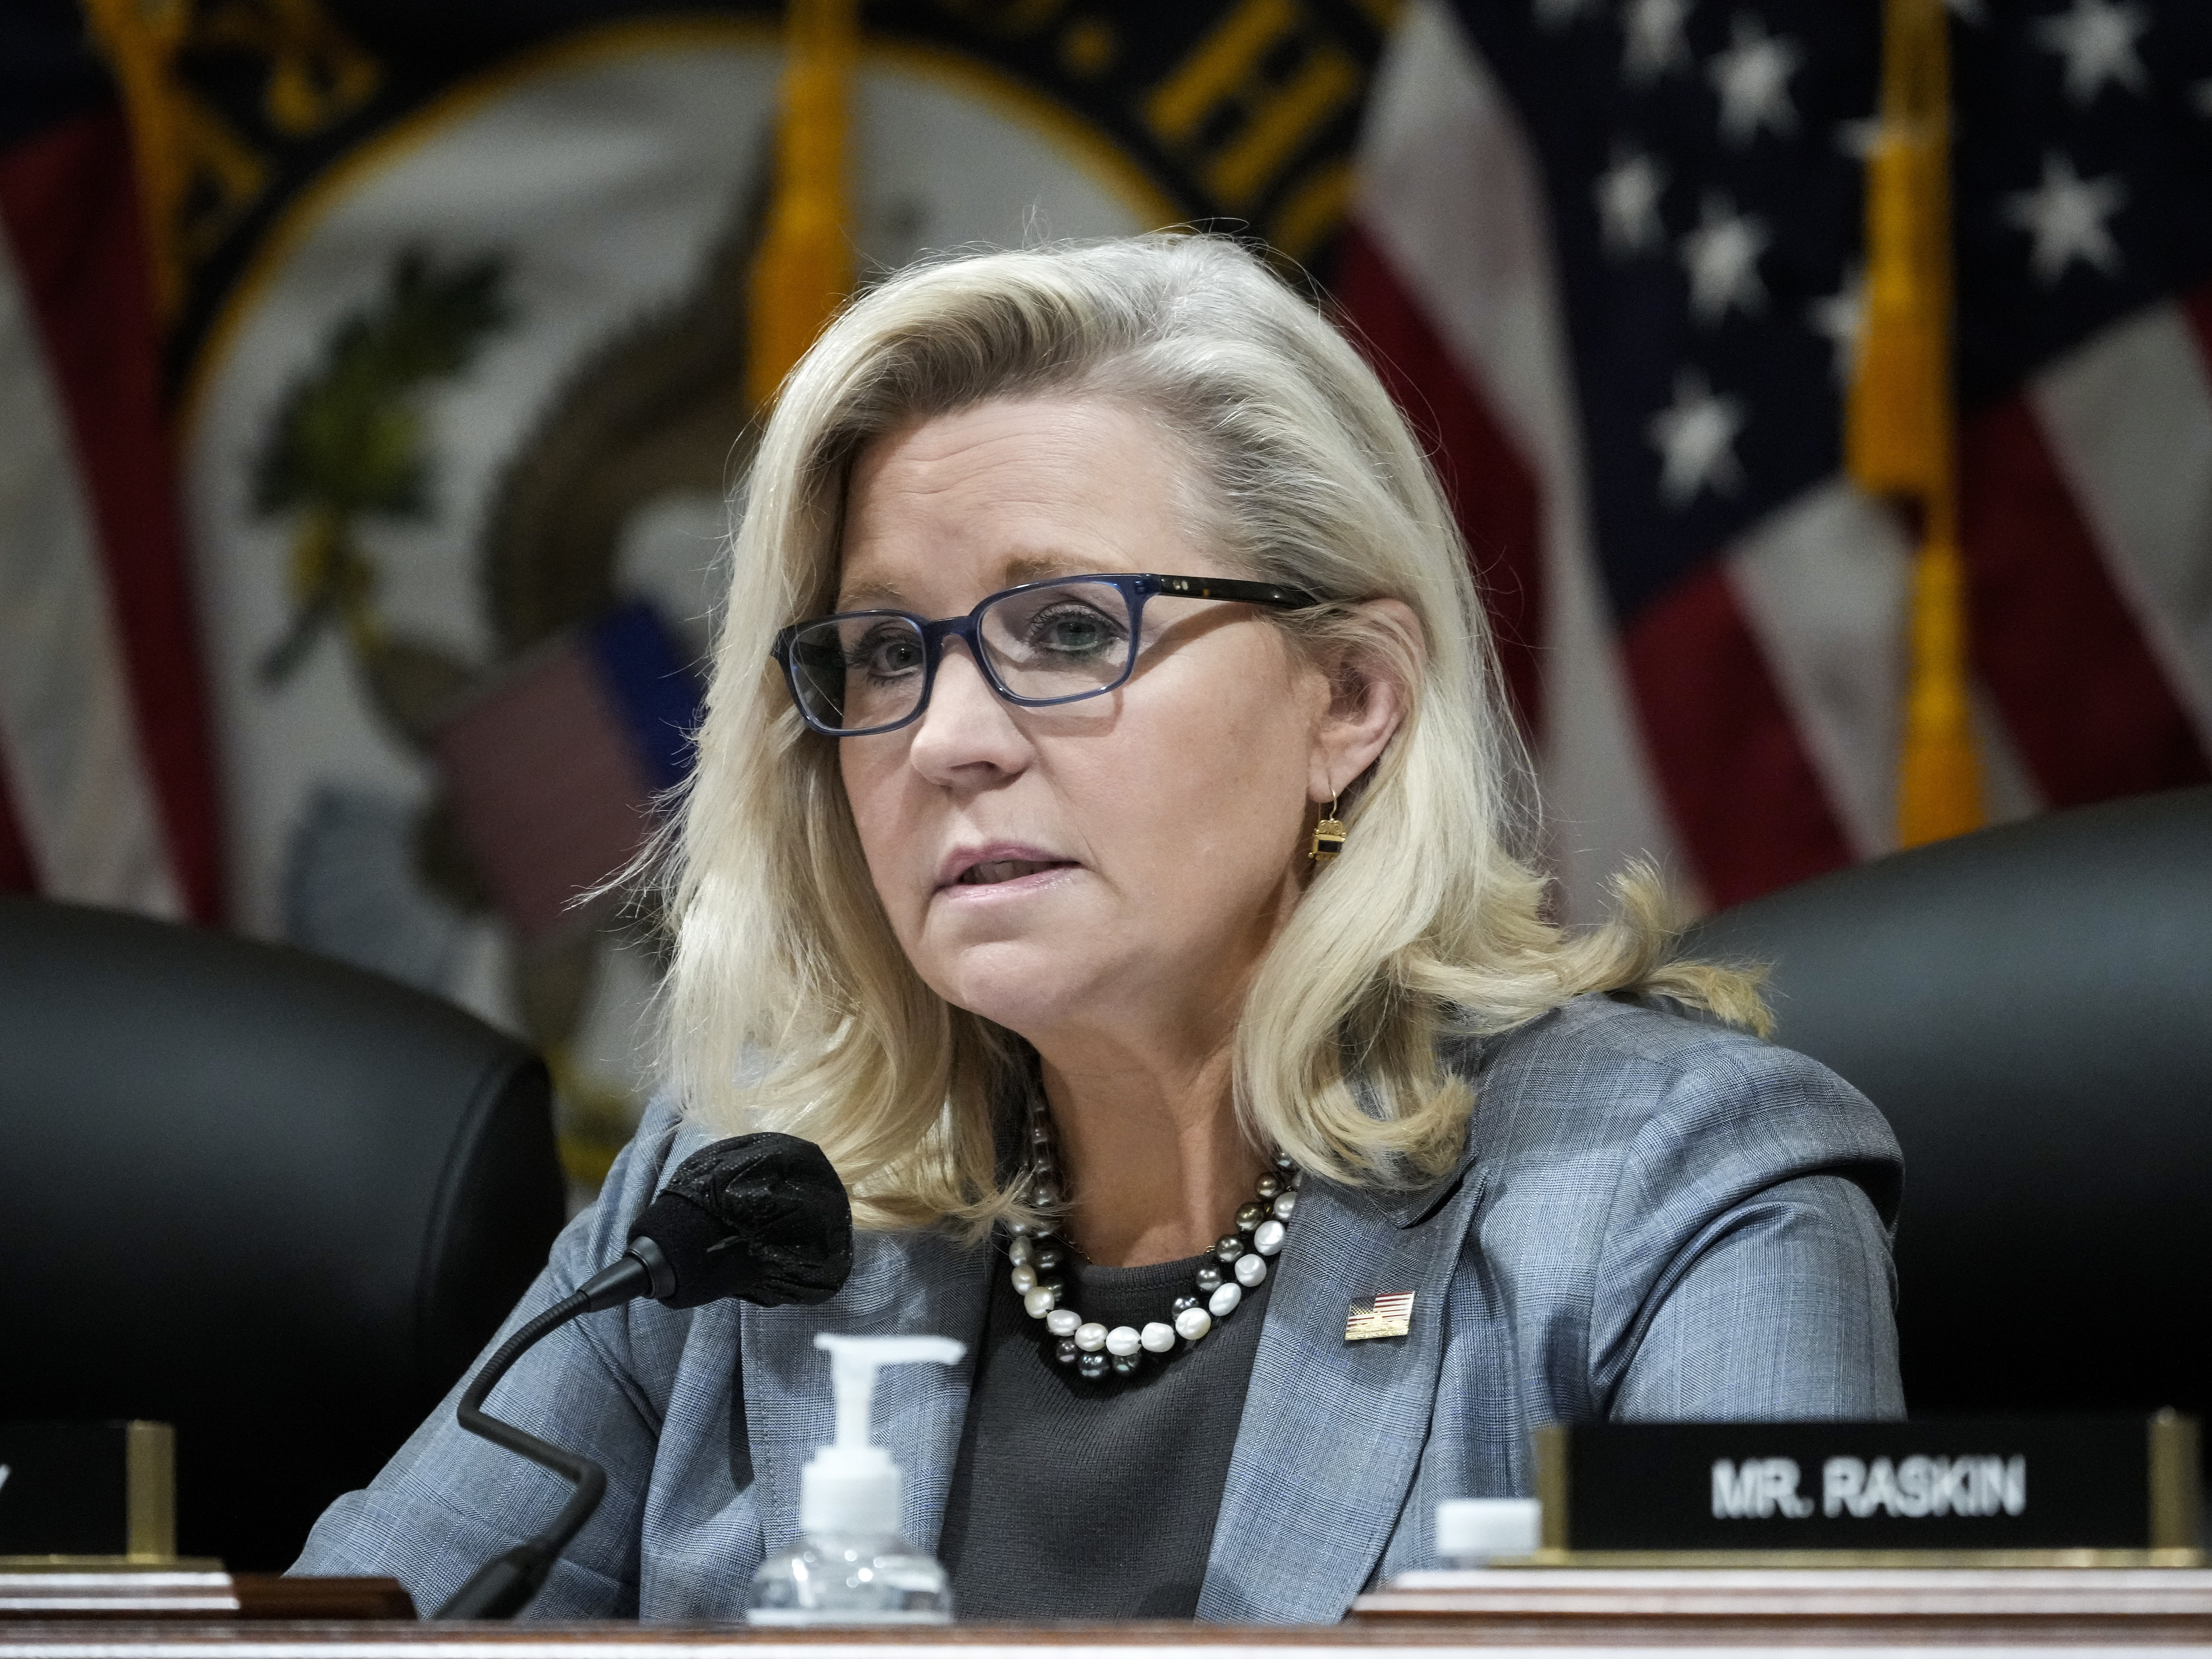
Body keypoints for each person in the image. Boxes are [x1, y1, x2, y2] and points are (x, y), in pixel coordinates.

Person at [295, 235, 1901, 1621]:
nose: (945, 740)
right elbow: (341, 1643)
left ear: (1349, 698)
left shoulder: (1665, 1193)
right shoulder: (741, 1207)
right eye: (884, 654)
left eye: (1067, 629)